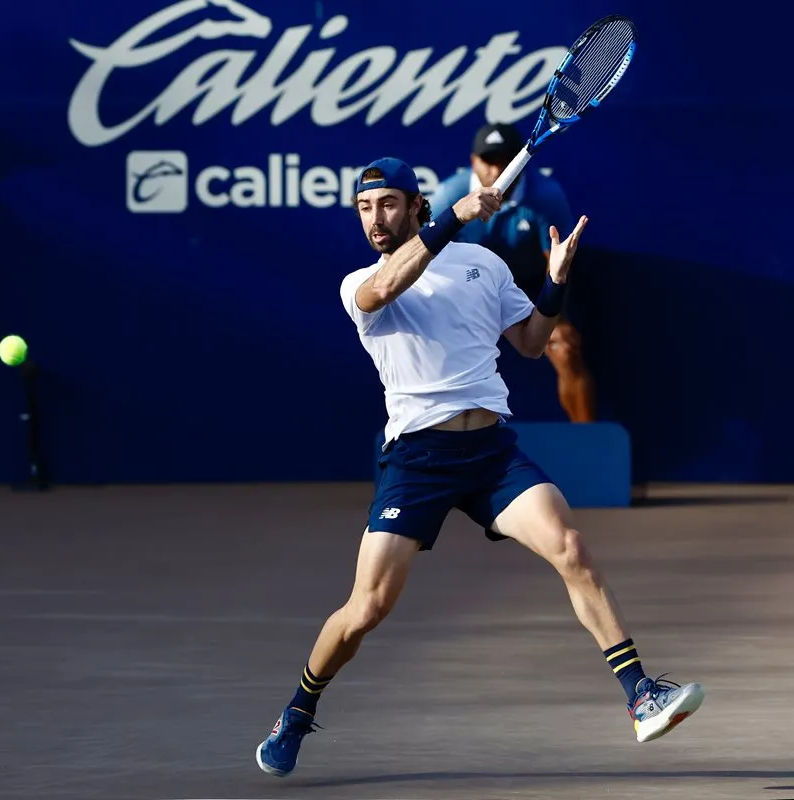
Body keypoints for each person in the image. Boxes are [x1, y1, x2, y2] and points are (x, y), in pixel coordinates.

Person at [254, 157, 703, 777]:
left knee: (571, 547)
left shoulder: (481, 265)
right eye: (364, 209)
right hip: (417, 459)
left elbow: (528, 342)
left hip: (491, 453)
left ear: (416, 206)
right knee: (368, 607)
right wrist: (455, 219)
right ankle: (298, 711)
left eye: (388, 205)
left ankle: (640, 695)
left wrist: (554, 283)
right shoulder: (362, 282)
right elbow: (385, 290)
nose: (375, 220)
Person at [432, 122, 597, 422]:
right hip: (471, 292)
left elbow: (556, 262)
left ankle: (588, 443)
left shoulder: (545, 195)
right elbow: (428, 259)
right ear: (473, 162)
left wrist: (555, 318)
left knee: (565, 348)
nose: (496, 171)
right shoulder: (449, 195)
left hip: (531, 291)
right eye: (488, 161)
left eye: (505, 161)